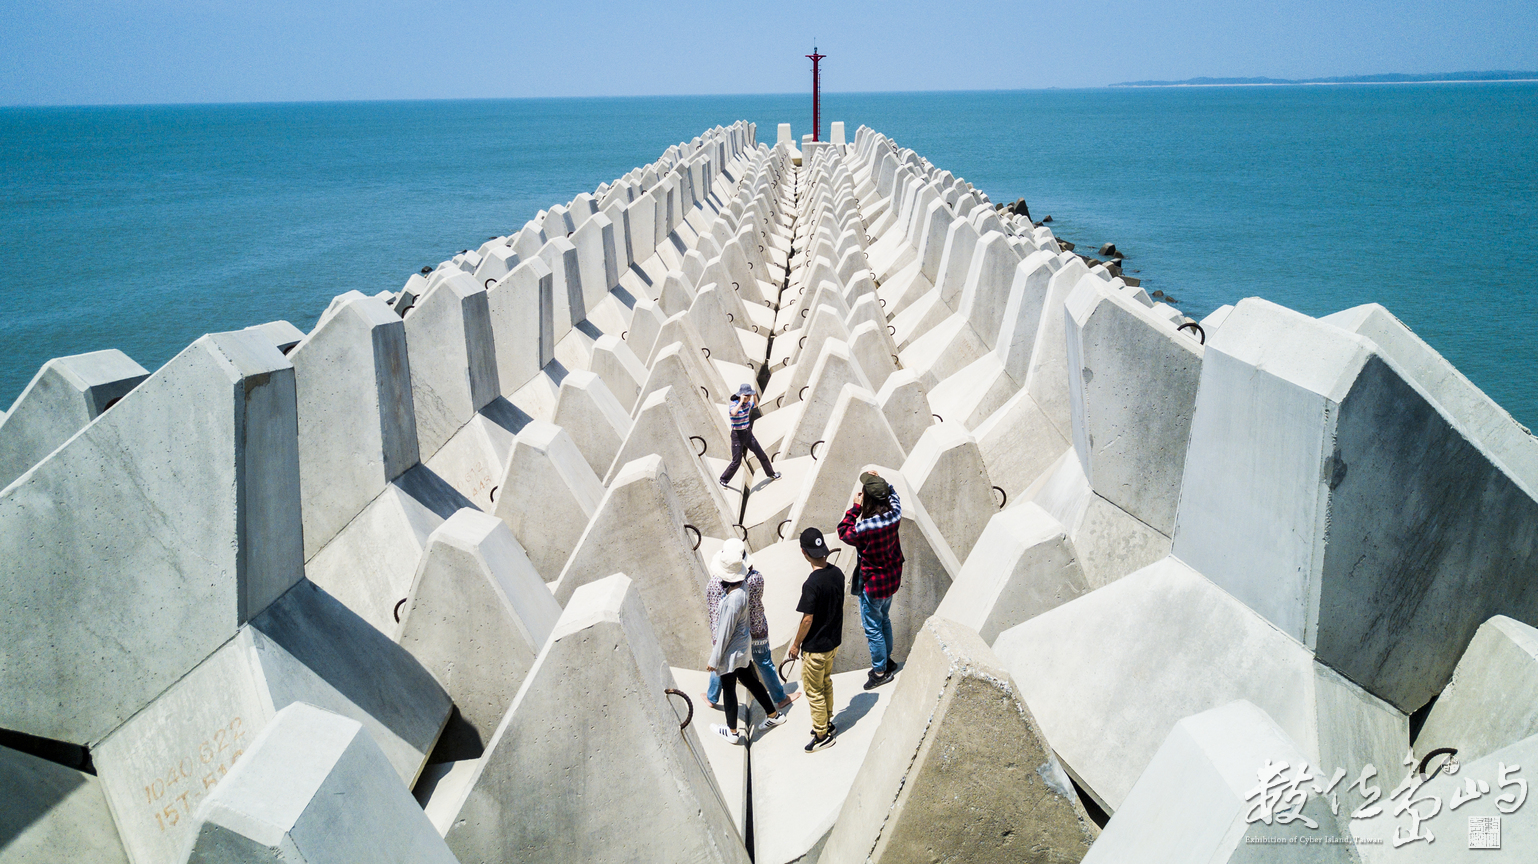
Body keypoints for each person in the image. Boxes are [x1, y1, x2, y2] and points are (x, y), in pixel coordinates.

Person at [707, 549, 790, 745]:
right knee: (752, 682)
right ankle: (774, 715)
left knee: (729, 689)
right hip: (742, 650)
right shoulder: (744, 586)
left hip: (730, 653)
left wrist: (714, 660)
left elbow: (725, 633)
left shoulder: (733, 600)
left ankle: (732, 731)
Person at [837, 470, 903, 691]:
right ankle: (887, 661)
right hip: (891, 580)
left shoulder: (865, 527)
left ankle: (880, 672)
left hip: (873, 585)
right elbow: (894, 494)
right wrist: (880, 482)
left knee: (873, 628)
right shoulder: (895, 514)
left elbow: (843, 531)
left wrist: (855, 508)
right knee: (884, 620)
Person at [787, 527, 844, 752]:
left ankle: (822, 734)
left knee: (814, 691)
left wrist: (796, 645)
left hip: (816, 648)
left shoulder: (812, 584)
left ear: (804, 552)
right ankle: (828, 721)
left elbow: (807, 619)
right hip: (832, 643)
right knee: (826, 682)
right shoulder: (837, 573)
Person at [720, 383, 780, 487]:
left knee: (761, 455)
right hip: (737, 436)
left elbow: (755, 405)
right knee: (736, 461)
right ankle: (723, 479)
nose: (749, 399)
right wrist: (741, 401)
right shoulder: (734, 404)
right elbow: (733, 413)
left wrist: (755, 396)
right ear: (742, 396)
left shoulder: (748, 404)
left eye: (750, 396)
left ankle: (771, 473)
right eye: (748, 396)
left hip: (748, 434)